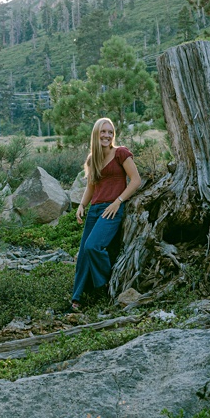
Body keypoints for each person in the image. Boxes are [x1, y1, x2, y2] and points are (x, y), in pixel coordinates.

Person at [70, 117, 142, 310]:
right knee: (84, 253)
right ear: (96, 133)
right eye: (103, 131)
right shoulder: (92, 159)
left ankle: (104, 285)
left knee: (93, 246)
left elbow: (136, 180)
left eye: (110, 132)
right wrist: (81, 205)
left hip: (112, 209)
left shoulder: (121, 153)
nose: (107, 135)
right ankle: (76, 299)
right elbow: (91, 186)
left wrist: (118, 202)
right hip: (94, 210)